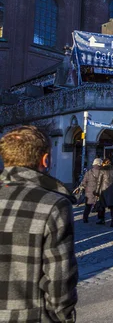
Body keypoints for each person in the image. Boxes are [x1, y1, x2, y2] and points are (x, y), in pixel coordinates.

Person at [0, 125, 78, 322]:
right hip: (27, 315)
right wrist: (63, 316)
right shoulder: (53, 204)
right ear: (45, 159)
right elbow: (59, 279)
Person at [96, 158, 113, 227]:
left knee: (102, 205)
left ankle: (102, 219)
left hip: (105, 189)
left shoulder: (102, 170)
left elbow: (99, 182)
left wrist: (97, 191)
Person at [81, 157, 102, 223]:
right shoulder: (102, 172)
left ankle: (85, 218)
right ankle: (100, 218)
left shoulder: (89, 172)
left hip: (89, 190)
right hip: (99, 190)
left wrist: (86, 187)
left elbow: (84, 182)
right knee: (99, 205)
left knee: (88, 206)